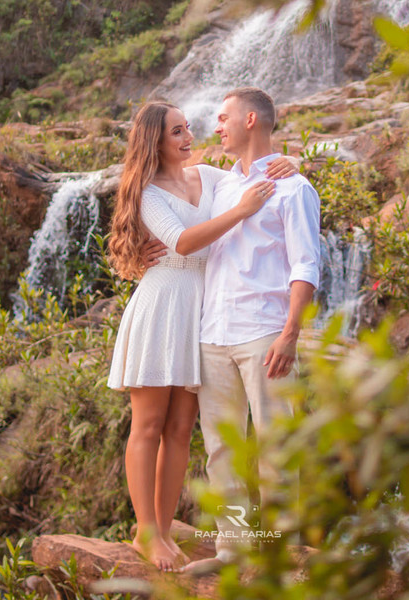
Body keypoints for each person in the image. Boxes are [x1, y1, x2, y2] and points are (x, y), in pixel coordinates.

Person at [105, 101, 299, 571]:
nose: (188, 136)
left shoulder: (209, 177)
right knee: (148, 426)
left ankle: (166, 529)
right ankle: (146, 533)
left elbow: (252, 171)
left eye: (187, 127)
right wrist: (242, 211)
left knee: (180, 430)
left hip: (204, 312)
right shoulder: (148, 192)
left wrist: (294, 162)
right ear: (155, 141)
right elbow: (184, 242)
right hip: (163, 304)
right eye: (176, 131)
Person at [184, 86, 321, 573]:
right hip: (212, 333)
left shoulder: (295, 188)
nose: (215, 126)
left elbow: (306, 265)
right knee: (222, 451)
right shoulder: (220, 184)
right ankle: (233, 551)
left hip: (265, 333)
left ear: (250, 121)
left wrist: (290, 334)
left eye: (223, 117)